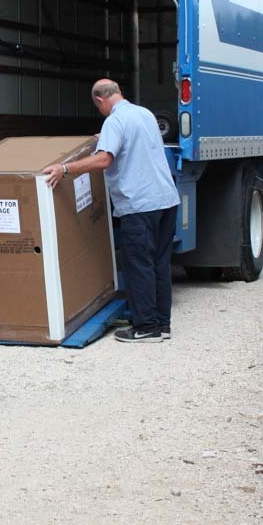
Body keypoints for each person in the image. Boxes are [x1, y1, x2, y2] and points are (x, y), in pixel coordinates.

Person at [41, 79, 179, 343]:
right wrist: (102, 138)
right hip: (165, 200)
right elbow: (131, 141)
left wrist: (64, 169)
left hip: (139, 205)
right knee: (160, 264)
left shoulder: (114, 122)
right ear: (119, 94)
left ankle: (146, 327)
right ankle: (162, 324)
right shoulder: (144, 114)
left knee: (139, 265)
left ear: (99, 101)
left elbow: (104, 159)